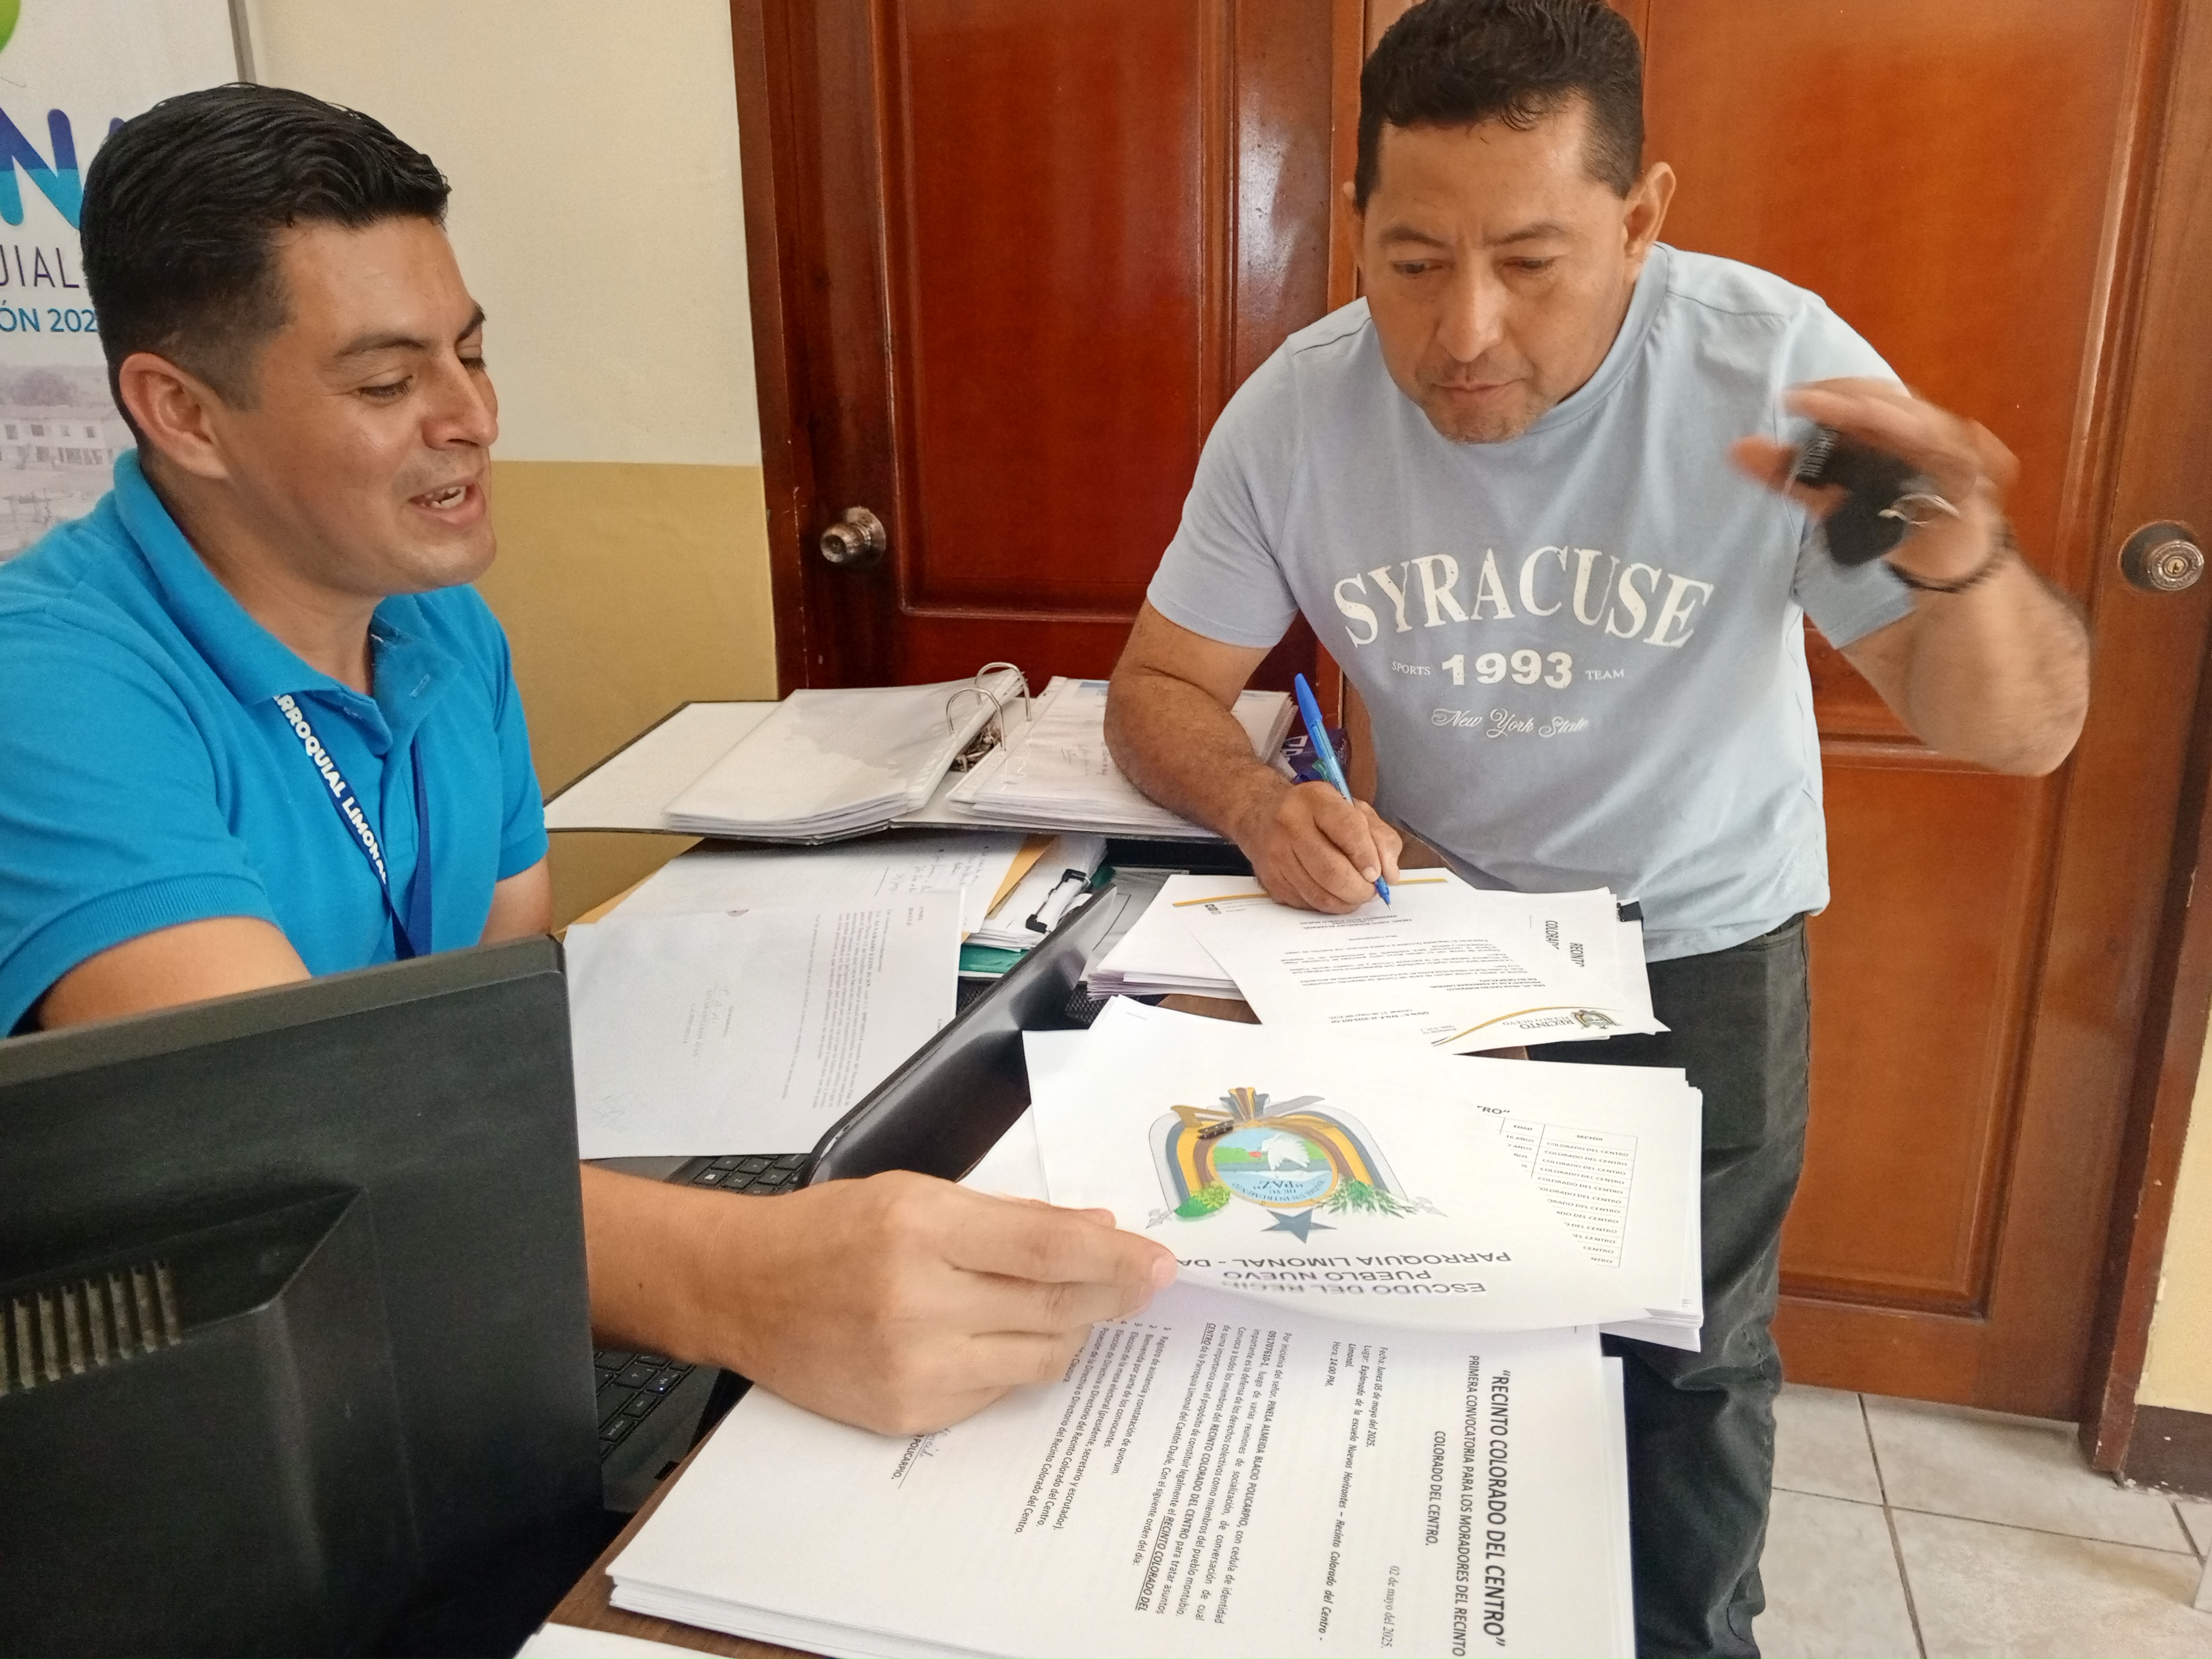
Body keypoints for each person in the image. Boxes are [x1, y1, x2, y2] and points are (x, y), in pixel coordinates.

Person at [1103, 2, 2089, 1655]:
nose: (1464, 330)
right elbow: (1158, 689)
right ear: (1355, 222)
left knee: (1687, 1360)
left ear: (1640, 220)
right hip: (1430, 943)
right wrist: (1261, 802)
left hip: (1696, 940)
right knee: (1429, 1324)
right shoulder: (1298, 411)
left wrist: (1961, 562)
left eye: (1531, 262)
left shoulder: (1776, 379)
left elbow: (2018, 730)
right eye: (1413, 261)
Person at [0, 83, 1173, 1440]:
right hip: (218, 1391)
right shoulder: (51, 685)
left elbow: (501, 1021)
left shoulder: (442, 627)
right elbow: (280, 1142)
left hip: (438, 1277)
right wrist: (744, 1277)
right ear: (184, 415)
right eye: (385, 382)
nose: (472, 416)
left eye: (470, 353)